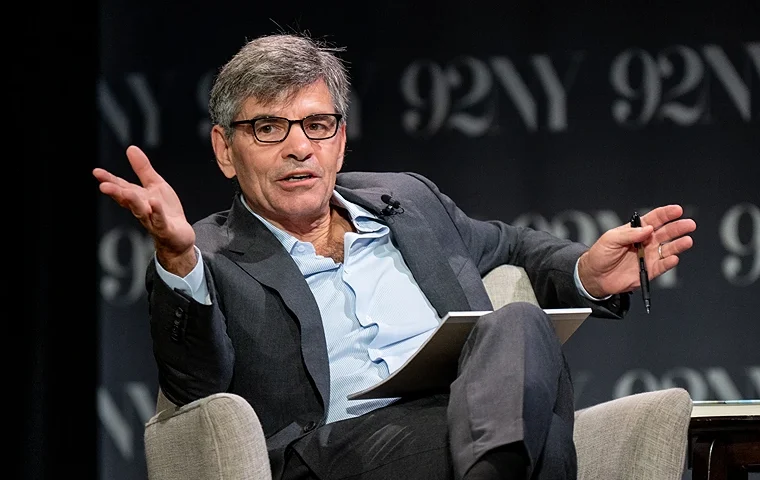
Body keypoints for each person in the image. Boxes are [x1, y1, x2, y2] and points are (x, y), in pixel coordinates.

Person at [93, 33, 696, 480]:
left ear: (342, 138)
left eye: (317, 125)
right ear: (226, 150)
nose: (299, 147)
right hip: (331, 453)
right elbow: (193, 387)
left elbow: (510, 246)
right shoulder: (208, 255)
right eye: (269, 128)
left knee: (517, 322)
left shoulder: (408, 200)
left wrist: (584, 275)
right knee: (528, 432)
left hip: (464, 419)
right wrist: (176, 257)